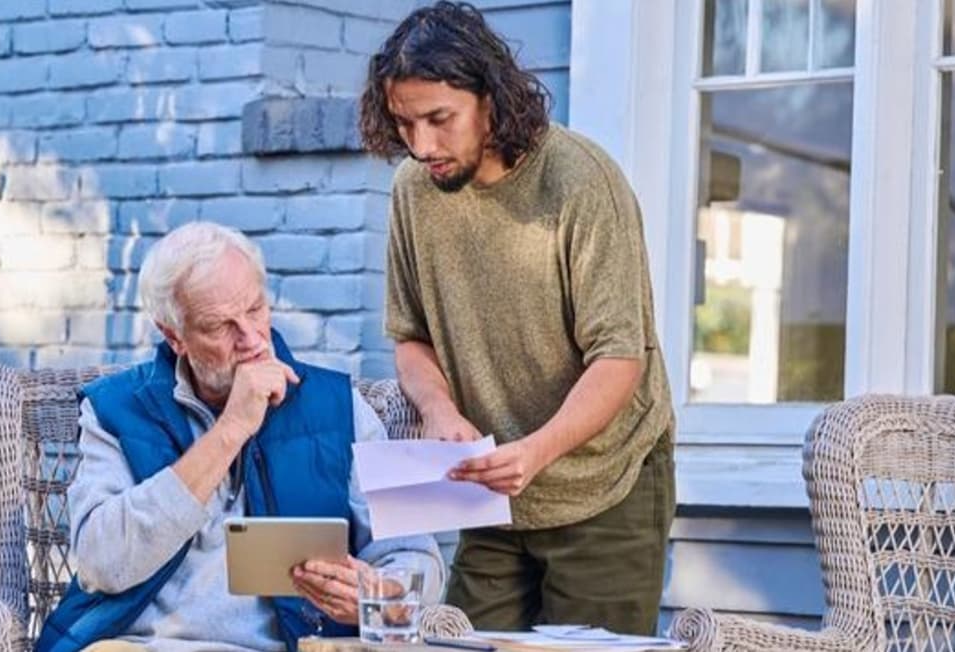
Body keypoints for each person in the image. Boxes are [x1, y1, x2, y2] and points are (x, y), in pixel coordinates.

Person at [358, 0, 676, 636]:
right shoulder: (413, 191)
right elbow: (411, 339)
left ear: (491, 98)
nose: (422, 146)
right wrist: (442, 414)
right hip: (492, 496)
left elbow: (620, 358)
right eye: (405, 124)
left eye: (439, 120)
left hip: (605, 483)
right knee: (456, 643)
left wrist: (535, 452)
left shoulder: (581, 183)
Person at [37, 222, 444, 652]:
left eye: (255, 310)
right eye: (219, 326)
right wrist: (230, 430)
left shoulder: (342, 406)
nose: (251, 340)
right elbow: (103, 564)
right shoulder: (113, 410)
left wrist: (375, 598)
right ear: (174, 336)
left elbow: (419, 558)